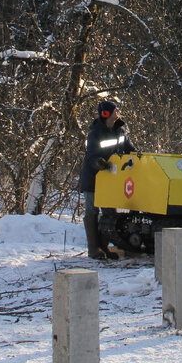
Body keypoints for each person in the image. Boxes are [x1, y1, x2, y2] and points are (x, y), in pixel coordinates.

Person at [79, 99, 137, 260]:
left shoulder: (120, 131)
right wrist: (98, 163)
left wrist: (140, 157)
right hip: (94, 179)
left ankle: (105, 247)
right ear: (107, 114)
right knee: (92, 211)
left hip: (111, 179)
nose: (117, 113)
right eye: (114, 111)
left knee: (109, 213)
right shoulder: (95, 133)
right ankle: (94, 249)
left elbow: (130, 149)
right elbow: (92, 155)